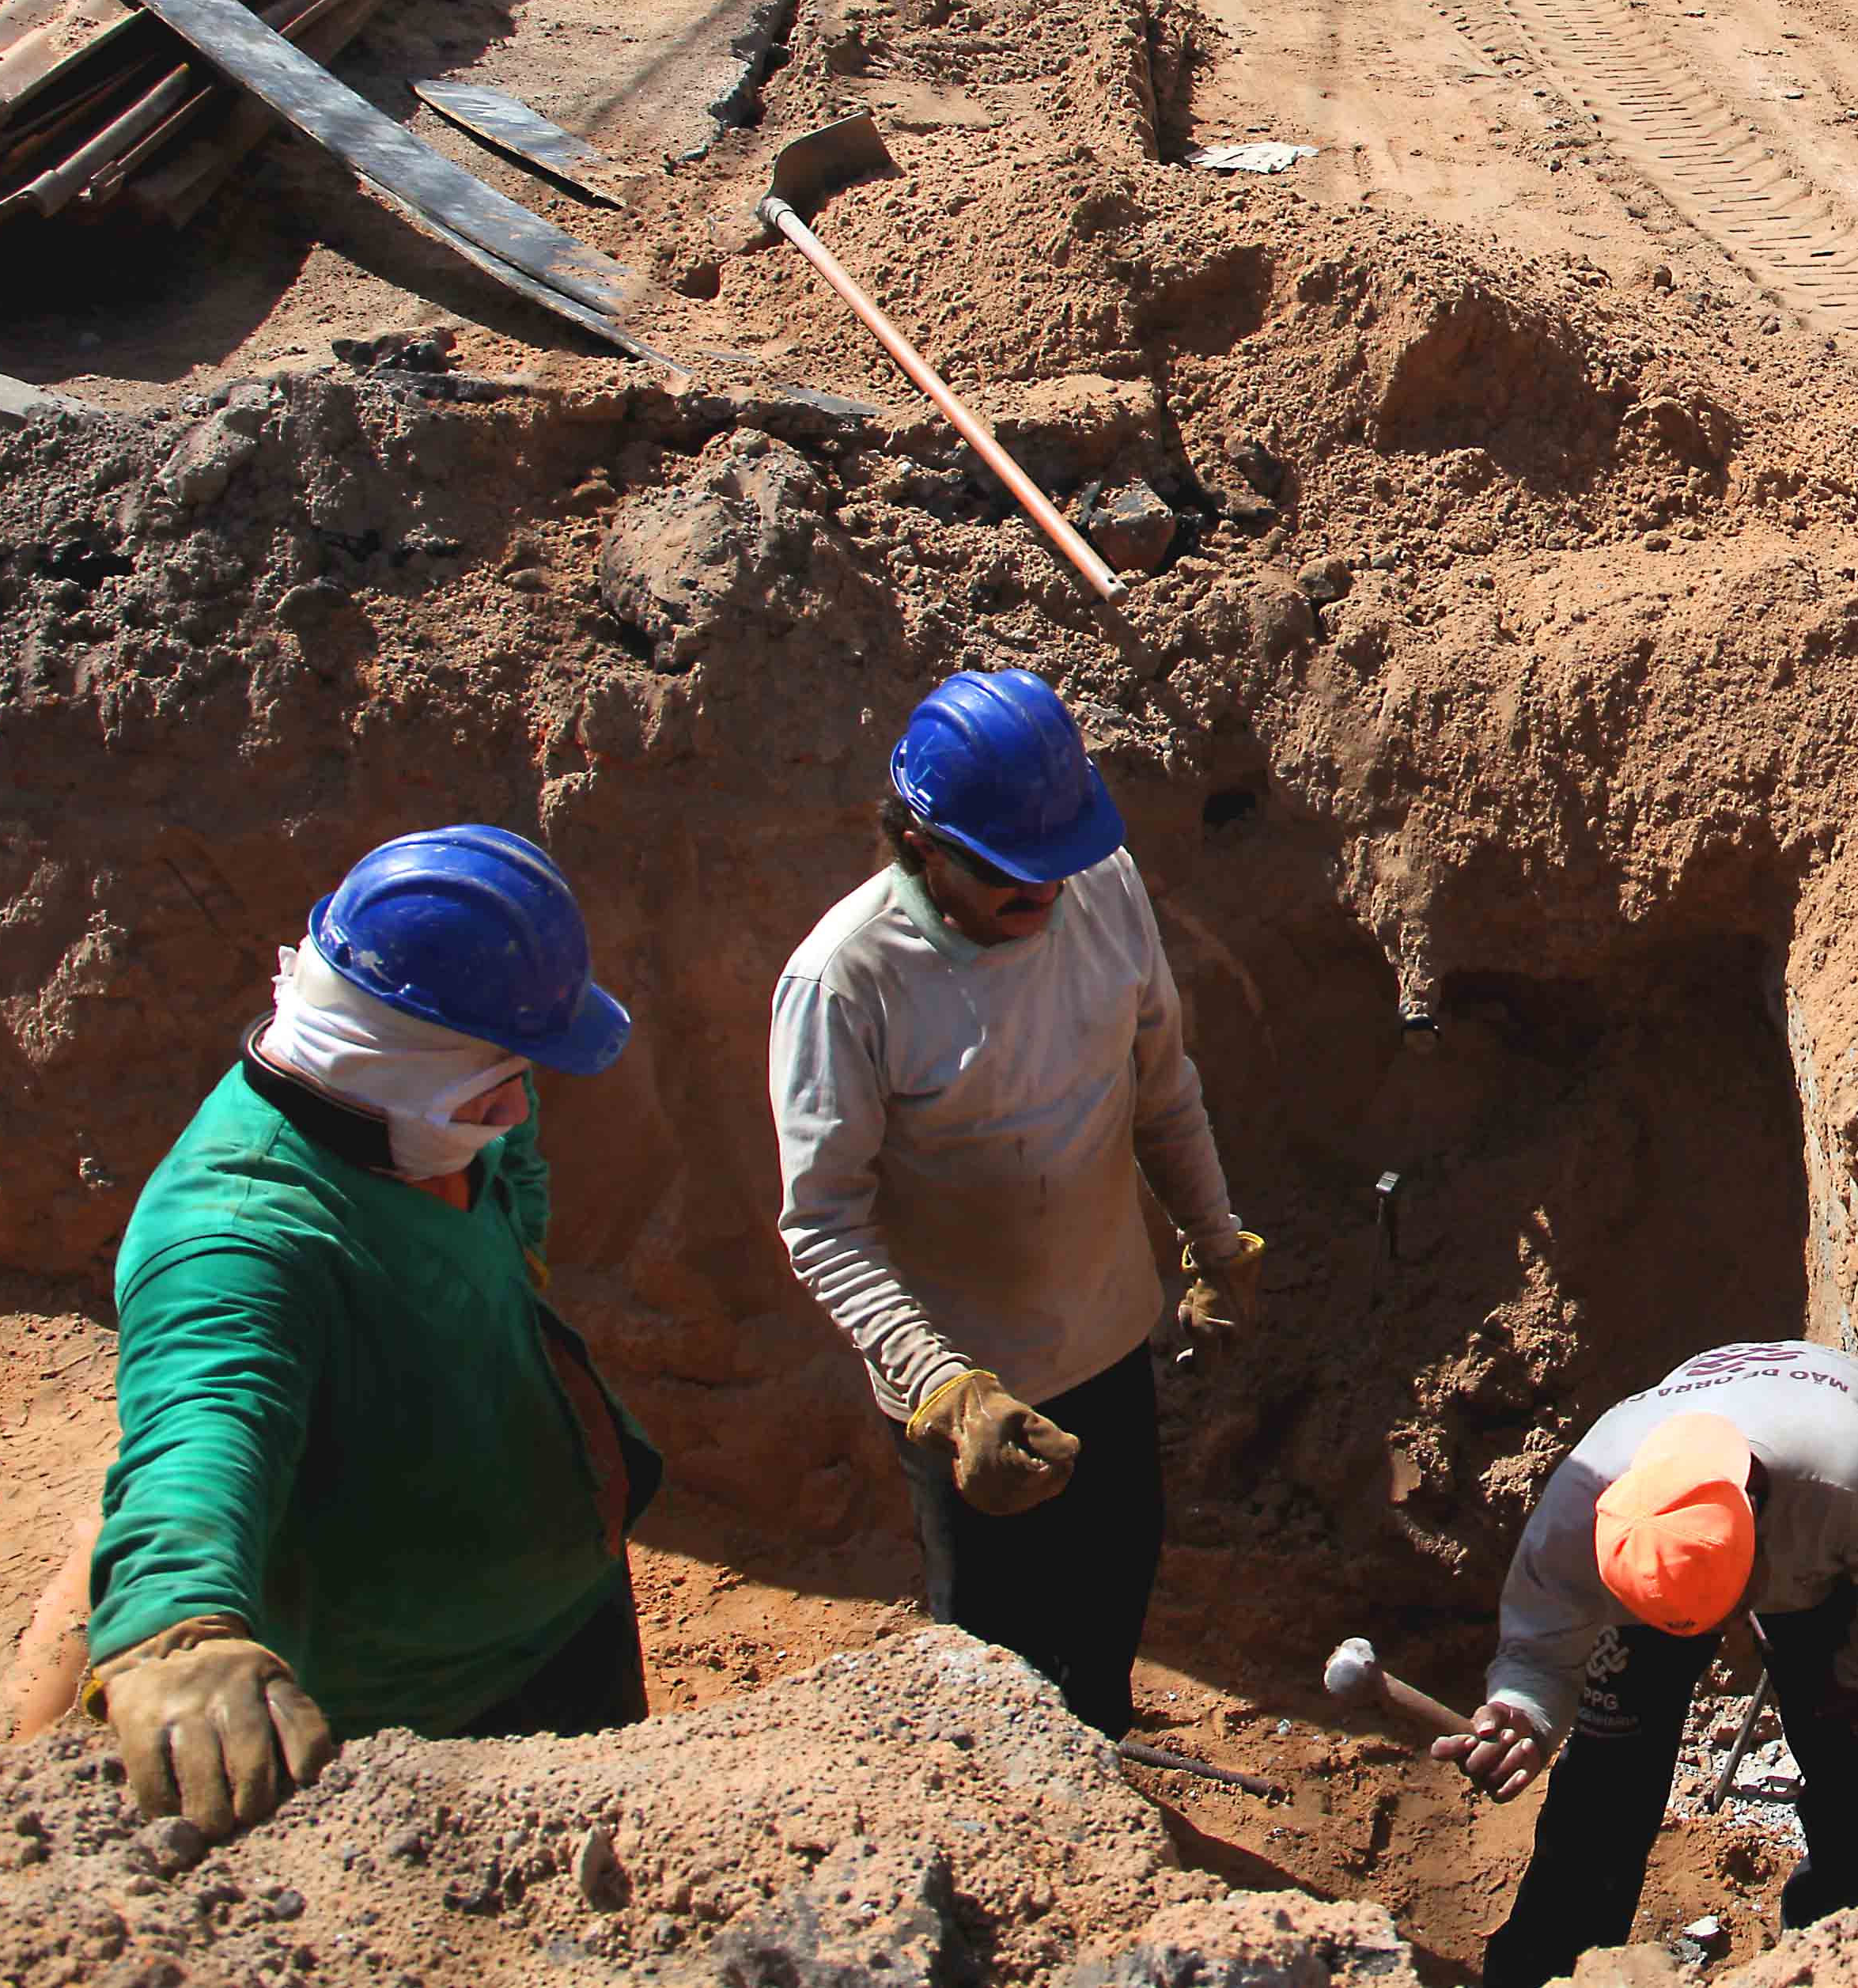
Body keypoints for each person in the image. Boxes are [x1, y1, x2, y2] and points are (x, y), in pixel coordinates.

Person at [76, 827, 658, 1838]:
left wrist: (509, 1244)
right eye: (494, 1088)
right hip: (425, 1713)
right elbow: (200, 1425)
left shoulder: (426, 1108)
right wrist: (174, 1630)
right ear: (399, 1064)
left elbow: (511, 1160)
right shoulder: (237, 1239)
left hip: (570, 1624)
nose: (518, 1108)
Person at [770, 669, 1258, 1737]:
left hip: (1106, 1340)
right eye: (1005, 874)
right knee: (999, 1660)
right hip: (969, 1392)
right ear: (917, 842)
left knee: (1113, 1593)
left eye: (1054, 865)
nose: (1041, 896)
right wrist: (948, 1393)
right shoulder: (846, 983)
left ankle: (1110, 1790)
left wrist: (1213, 1241)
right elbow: (825, 1225)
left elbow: (1161, 1082)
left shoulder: (1102, 885)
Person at [1436, 1342, 1858, 1987]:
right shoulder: (1577, 1515)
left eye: (1735, 1607)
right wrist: (1524, 1716)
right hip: (1678, 1514)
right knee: (1604, 1774)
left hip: (1813, 1468)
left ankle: (1834, 1956)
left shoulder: (1849, 1478)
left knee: (1850, 1751)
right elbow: (1537, 1651)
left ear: (1757, 1527)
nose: (1728, 1635)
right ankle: (1545, 1968)